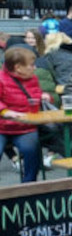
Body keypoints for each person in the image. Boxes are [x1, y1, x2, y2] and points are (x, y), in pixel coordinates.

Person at [0, 46, 43, 182]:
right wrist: (5, 111)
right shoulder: (1, 79)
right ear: (18, 67)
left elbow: (36, 96)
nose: (35, 68)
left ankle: (29, 186)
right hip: (1, 126)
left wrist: (44, 97)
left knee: (31, 151)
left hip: (25, 127)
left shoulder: (34, 79)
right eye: (31, 65)